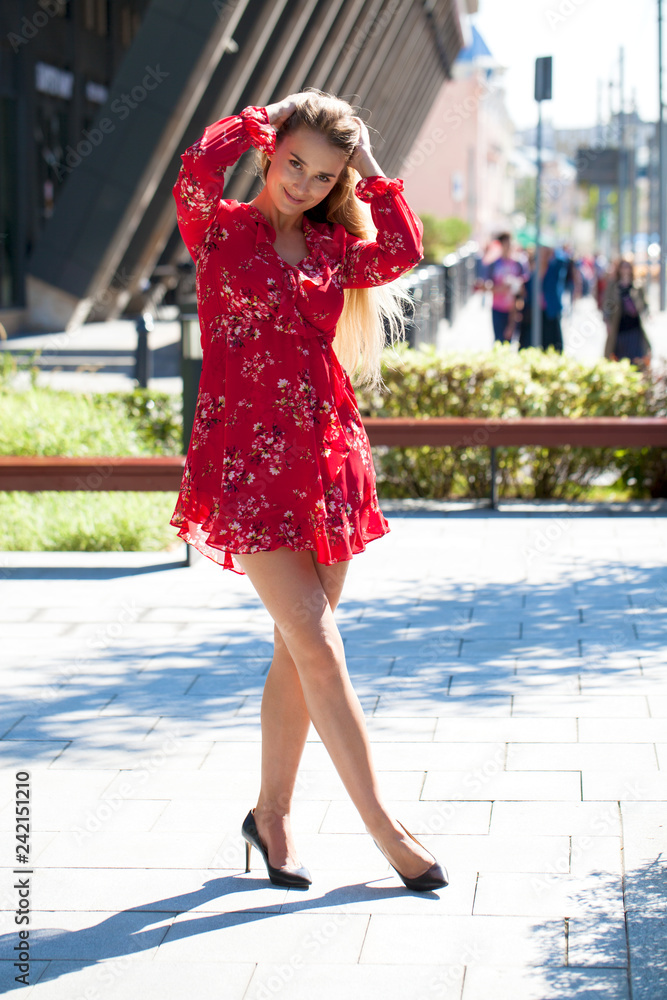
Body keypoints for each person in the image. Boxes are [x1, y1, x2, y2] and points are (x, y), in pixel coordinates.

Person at [170, 90, 448, 893]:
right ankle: (386, 831)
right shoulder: (218, 231)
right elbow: (192, 173)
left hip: (328, 463)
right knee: (319, 648)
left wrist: (366, 165)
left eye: (322, 177)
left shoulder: (333, 248)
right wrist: (254, 121)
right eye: (294, 163)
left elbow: (400, 249)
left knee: (298, 652)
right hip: (248, 471)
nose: (303, 183)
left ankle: (271, 815)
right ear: (269, 152)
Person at [603, 259, 651, 367]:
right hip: (619, 327)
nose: (625, 270)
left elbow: (645, 305)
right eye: (623, 267)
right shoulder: (613, 286)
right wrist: (607, 321)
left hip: (634, 328)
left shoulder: (637, 286)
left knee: (636, 358)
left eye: (627, 267)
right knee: (619, 358)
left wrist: (647, 314)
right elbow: (606, 305)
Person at [487, 232, 526, 343]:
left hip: (513, 308)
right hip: (498, 308)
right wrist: (501, 288)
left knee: (511, 338)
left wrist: (517, 287)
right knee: (499, 340)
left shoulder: (518, 264)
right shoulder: (494, 264)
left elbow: (523, 287)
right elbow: (487, 285)